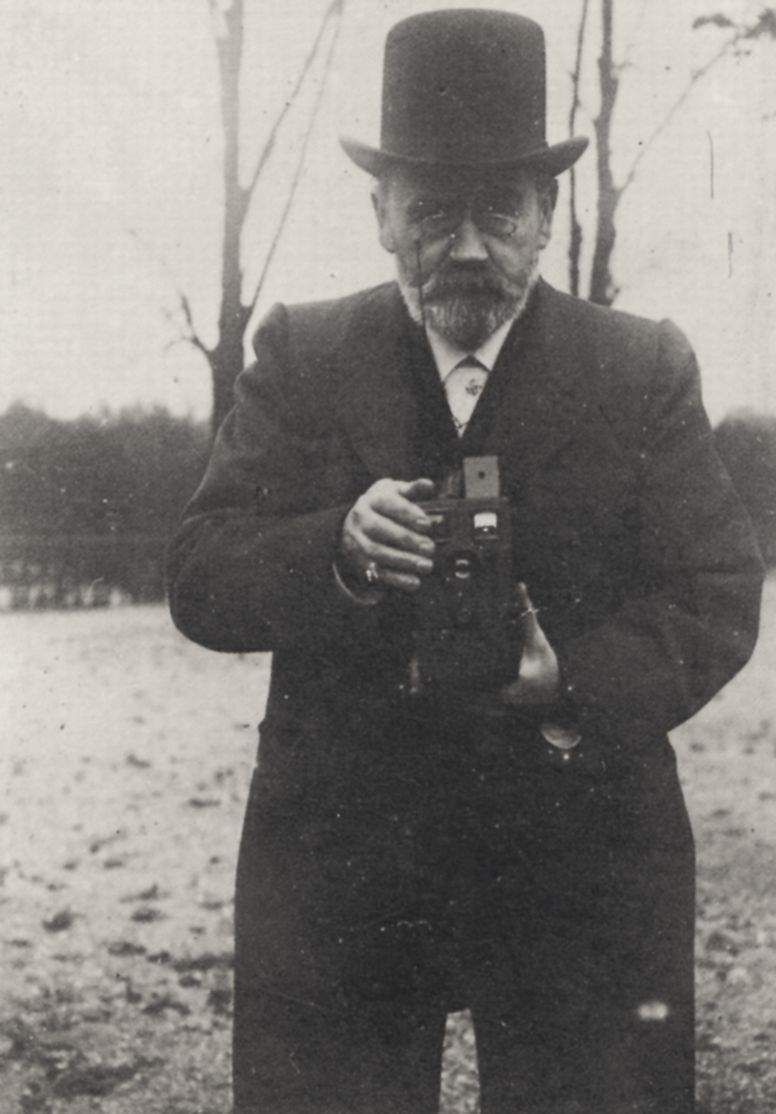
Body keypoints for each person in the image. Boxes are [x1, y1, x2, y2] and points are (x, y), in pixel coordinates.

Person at [167, 10, 764, 1113]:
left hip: (578, 855)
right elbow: (200, 572)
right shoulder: (301, 354)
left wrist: (570, 681)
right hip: (344, 857)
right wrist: (336, 548)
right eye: (433, 212)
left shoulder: (640, 368)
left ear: (545, 214)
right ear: (381, 214)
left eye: (499, 210)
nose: (471, 246)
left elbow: (715, 590)